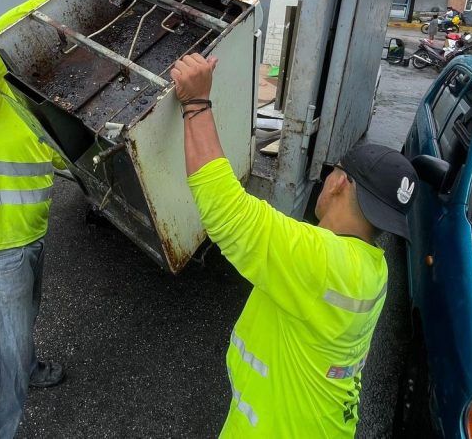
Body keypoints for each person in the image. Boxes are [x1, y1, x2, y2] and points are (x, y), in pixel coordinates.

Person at [170, 53, 418, 437]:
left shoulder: (322, 261)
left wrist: (196, 103)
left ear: (339, 183)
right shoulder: (374, 269)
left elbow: (226, 211)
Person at [0, 0, 95, 439]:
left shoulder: (29, 108)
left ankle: (30, 365)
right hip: (0, 247)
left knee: (20, 321)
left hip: (30, 238)